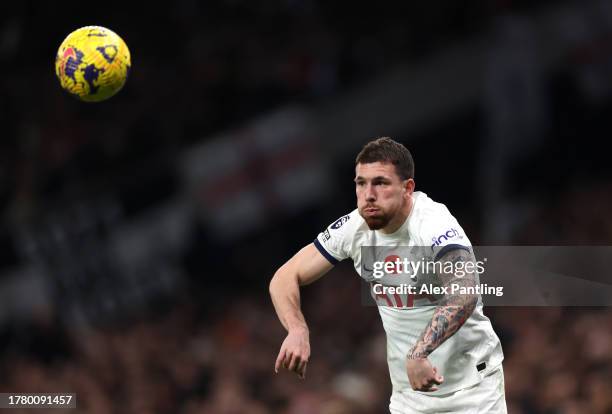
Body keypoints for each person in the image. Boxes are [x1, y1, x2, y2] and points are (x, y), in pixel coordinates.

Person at [269, 137, 507, 413]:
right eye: (361, 183)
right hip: (410, 396)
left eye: (380, 183)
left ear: (407, 188)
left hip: (472, 390)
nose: (368, 194)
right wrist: (297, 329)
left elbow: (464, 292)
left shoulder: (433, 224)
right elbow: (284, 277)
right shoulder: (355, 228)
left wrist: (420, 351)